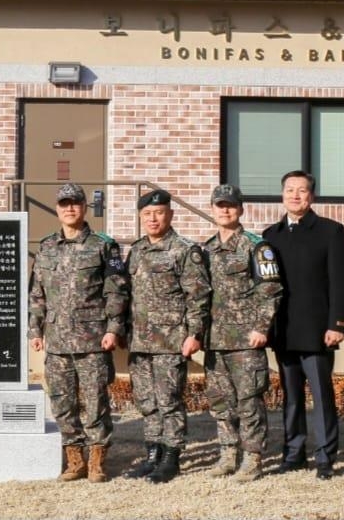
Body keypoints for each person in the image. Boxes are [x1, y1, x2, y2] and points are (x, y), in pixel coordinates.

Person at [28, 183, 130, 484]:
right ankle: (75, 460)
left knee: (95, 401)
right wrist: (35, 328)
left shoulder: (103, 245)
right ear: (57, 209)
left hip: (93, 341)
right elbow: (37, 293)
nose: (69, 208)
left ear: (85, 207)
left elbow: (116, 292)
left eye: (75, 203)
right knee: (62, 402)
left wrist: (113, 329)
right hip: (58, 341)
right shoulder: (46, 247)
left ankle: (98, 460)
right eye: (64, 204)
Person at [262, 171, 344, 480]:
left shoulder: (330, 231)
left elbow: (342, 282)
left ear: (311, 196)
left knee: (322, 396)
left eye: (302, 191)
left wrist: (338, 323)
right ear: (282, 194)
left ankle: (325, 456)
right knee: (291, 396)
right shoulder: (270, 235)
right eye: (290, 190)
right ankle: (293, 453)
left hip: (318, 331)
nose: (295, 196)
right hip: (284, 330)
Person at [123, 189, 211, 483]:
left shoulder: (185, 250)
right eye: (147, 214)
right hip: (140, 341)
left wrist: (194, 334)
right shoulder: (136, 250)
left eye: (158, 212)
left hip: (170, 342)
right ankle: (153, 454)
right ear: (140, 217)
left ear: (170, 215)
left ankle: (172, 456)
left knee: (169, 400)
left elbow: (197, 296)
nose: (153, 218)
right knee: (147, 402)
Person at [203, 184, 282, 482]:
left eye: (231, 205)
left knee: (249, 401)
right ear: (212, 209)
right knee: (221, 401)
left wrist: (261, 328)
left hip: (246, 341)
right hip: (215, 340)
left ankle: (252, 458)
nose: (225, 210)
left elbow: (271, 289)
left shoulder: (257, 247)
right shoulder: (206, 249)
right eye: (220, 205)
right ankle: (227, 454)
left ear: (241, 209)